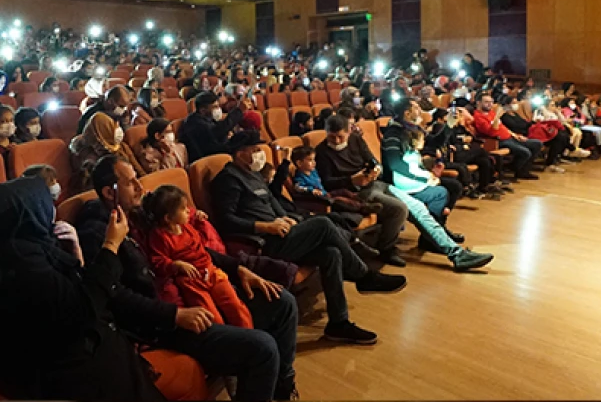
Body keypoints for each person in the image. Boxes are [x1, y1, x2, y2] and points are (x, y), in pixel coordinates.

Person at [74, 155, 301, 401]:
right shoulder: (97, 233)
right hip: (166, 319)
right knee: (262, 348)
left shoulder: (141, 215)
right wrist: (175, 315)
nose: (140, 187)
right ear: (110, 192)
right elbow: (116, 296)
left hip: (194, 286)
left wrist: (238, 268)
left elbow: (191, 249)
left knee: (283, 303)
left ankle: (282, 387)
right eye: (130, 183)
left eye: (137, 179)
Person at [209, 131, 407, 345]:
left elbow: (271, 201)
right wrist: (265, 226)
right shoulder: (227, 180)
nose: (260, 154)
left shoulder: (252, 174)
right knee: (323, 224)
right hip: (264, 243)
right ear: (240, 154)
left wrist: (288, 217)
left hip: (283, 232)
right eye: (255, 150)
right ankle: (364, 276)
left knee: (330, 253)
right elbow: (226, 221)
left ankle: (338, 324)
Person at [0, 177, 164, 401]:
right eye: (47, 204)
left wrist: (76, 254)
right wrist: (111, 245)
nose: (53, 211)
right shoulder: (17, 261)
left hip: (84, 346)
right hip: (61, 369)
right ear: (32, 211)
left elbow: (76, 287)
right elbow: (81, 309)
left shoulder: (26, 241)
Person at [144, 185, 253, 328]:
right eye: (183, 209)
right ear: (168, 218)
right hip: (191, 281)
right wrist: (175, 265)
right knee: (212, 318)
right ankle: (227, 344)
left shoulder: (185, 224)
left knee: (236, 307)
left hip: (211, 271)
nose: (188, 210)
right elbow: (157, 261)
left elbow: (197, 228)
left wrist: (199, 218)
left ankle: (248, 336)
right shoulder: (159, 236)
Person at [313, 115, 410, 267]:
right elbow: (327, 183)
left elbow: (371, 159)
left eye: (340, 136)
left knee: (413, 205)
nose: (337, 141)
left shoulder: (356, 140)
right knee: (399, 209)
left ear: (348, 132)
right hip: (354, 192)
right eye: (332, 137)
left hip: (373, 182)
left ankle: (436, 238)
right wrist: (351, 180)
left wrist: (376, 168)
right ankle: (386, 249)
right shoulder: (321, 151)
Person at [473, 93, 541, 181]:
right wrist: (497, 116)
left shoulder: (491, 113)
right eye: (486, 102)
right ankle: (516, 170)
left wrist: (515, 135)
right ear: (478, 103)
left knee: (537, 144)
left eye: (491, 102)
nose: (490, 104)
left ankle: (523, 170)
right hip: (498, 141)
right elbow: (492, 131)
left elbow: (503, 127)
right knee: (525, 152)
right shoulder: (478, 117)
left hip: (509, 137)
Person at [70, 112, 148, 189]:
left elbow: (139, 171)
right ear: (98, 135)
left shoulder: (120, 146)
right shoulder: (87, 159)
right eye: (108, 127)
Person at [179, 91, 243, 163]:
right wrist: (239, 110)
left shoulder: (207, 118)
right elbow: (216, 133)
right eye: (215, 107)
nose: (218, 109)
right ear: (203, 110)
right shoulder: (194, 123)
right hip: (207, 159)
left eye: (218, 106)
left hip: (217, 151)